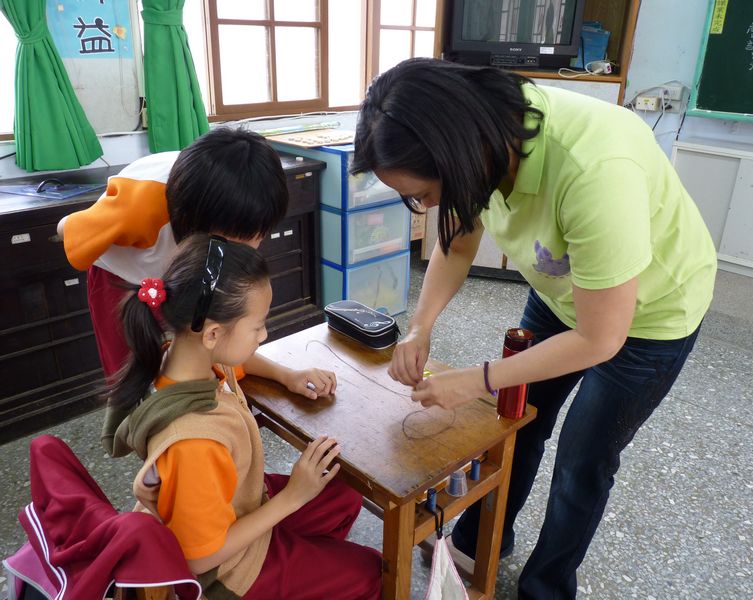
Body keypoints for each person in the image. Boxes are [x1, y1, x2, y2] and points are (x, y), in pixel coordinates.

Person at [352, 58, 716, 599]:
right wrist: (419, 328)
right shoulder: (482, 137)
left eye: (423, 194)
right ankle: (481, 543)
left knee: (582, 462)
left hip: (649, 318)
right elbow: (457, 243)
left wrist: (477, 379)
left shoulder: (595, 170)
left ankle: (546, 588)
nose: (425, 207)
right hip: (560, 290)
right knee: (517, 425)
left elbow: (600, 337)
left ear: (460, 155)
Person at [107, 234, 382, 599]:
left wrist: (287, 375)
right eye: (258, 326)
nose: (263, 335)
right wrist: (292, 498)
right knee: (371, 572)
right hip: (230, 572)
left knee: (344, 494)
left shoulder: (185, 355)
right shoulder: (194, 443)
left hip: (243, 503)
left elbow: (238, 361)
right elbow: (200, 559)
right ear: (213, 333)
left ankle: (309, 564)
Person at [58, 127, 333, 407]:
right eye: (244, 238)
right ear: (196, 221)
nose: (252, 248)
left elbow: (219, 339)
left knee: (201, 344)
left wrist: (286, 375)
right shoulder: (142, 202)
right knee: (137, 379)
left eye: (260, 235)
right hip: (123, 283)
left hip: (182, 271)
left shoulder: (233, 222)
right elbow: (66, 229)